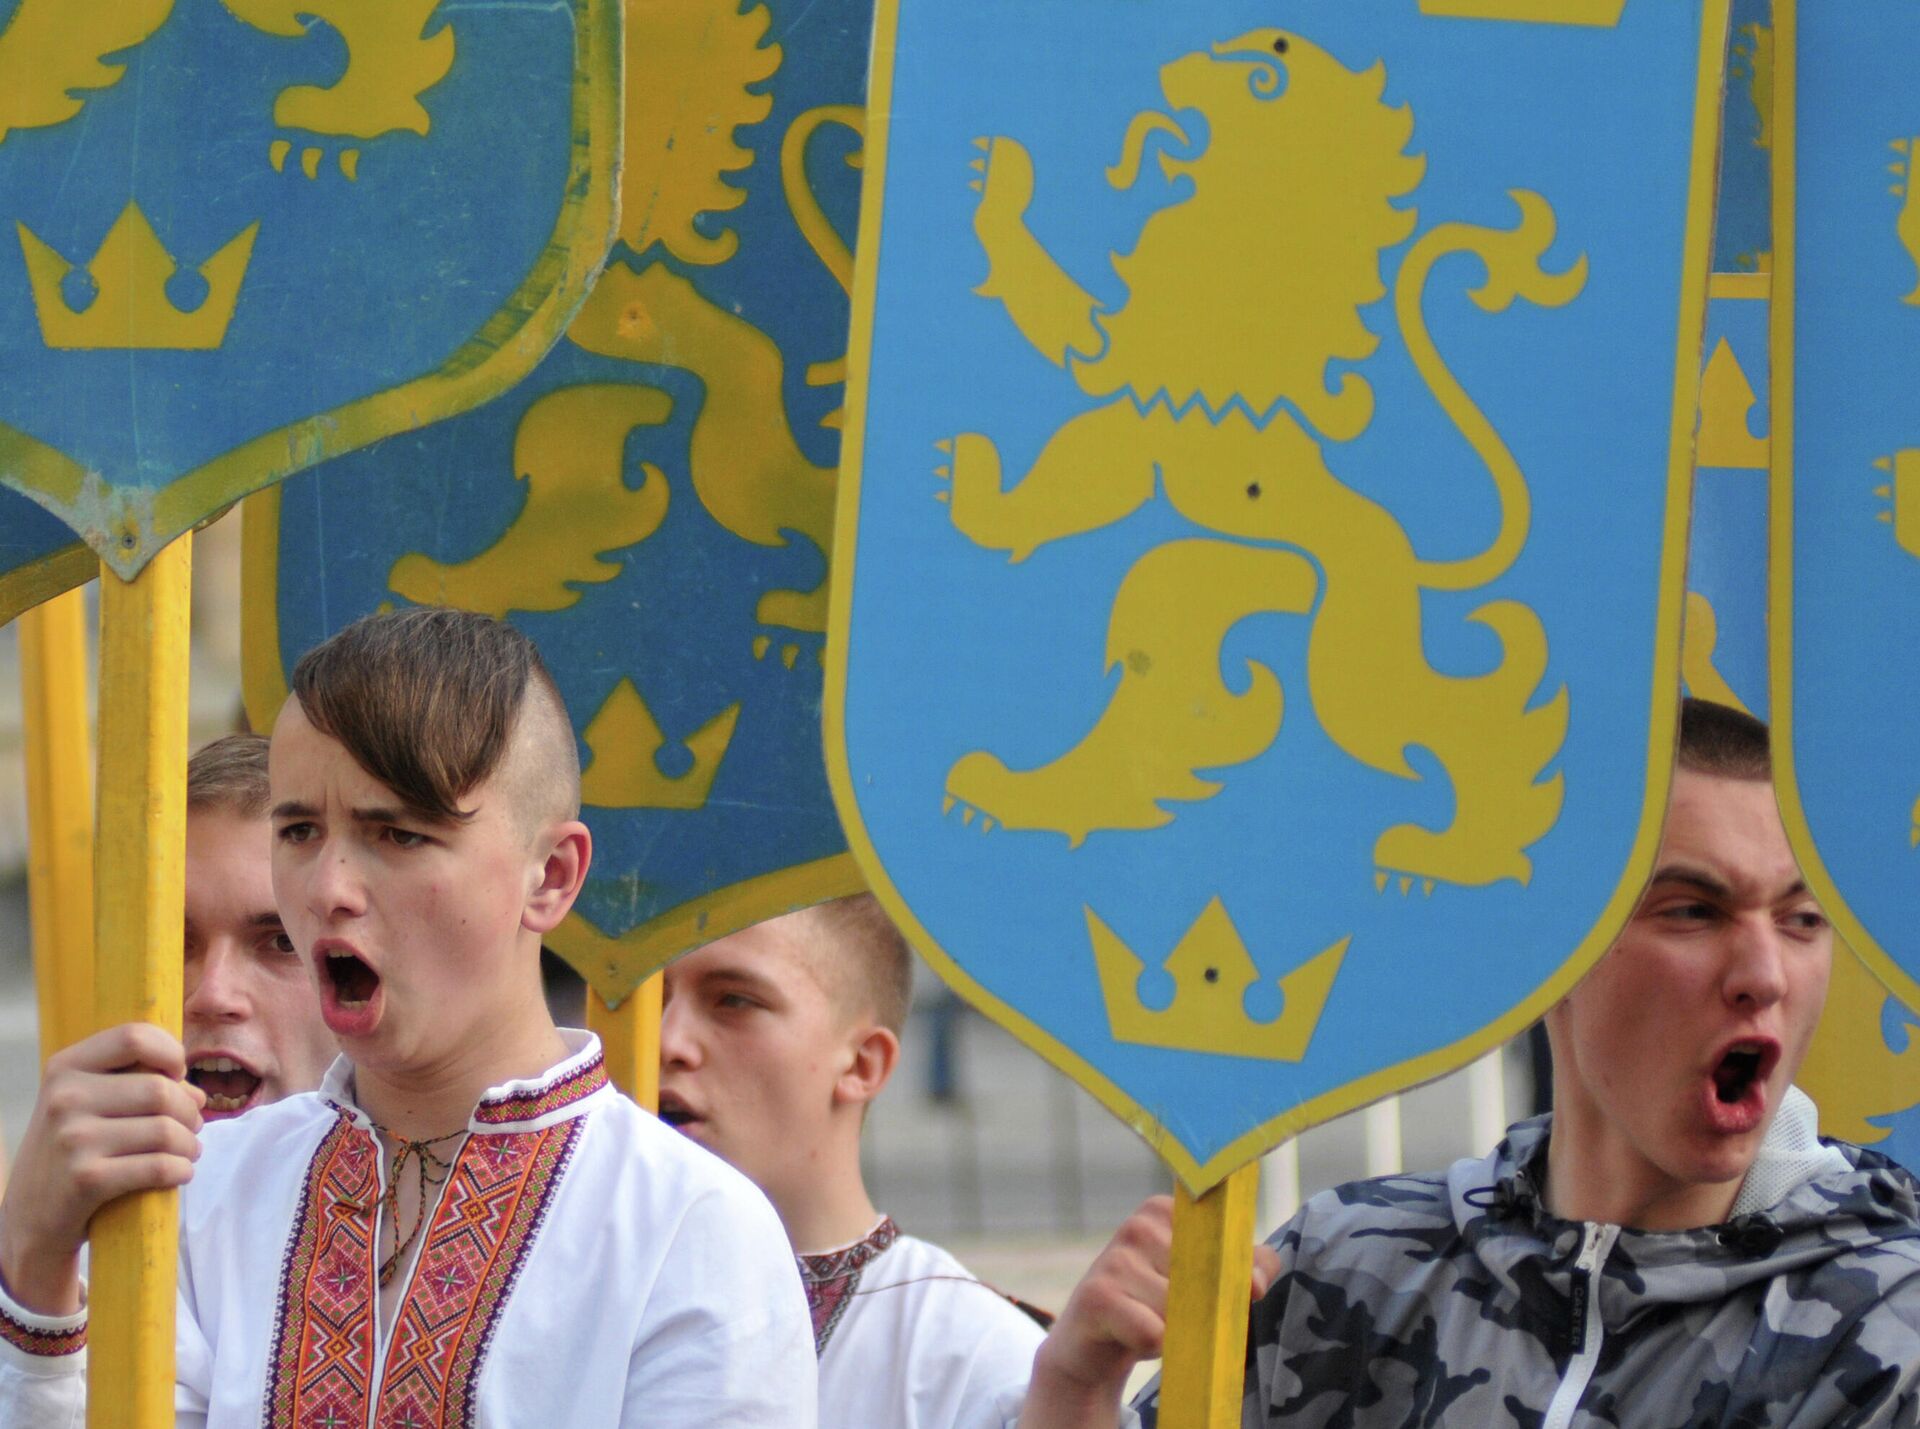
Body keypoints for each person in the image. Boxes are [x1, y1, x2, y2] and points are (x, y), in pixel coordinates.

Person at [0, 608, 814, 1425]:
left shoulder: (686, 1227)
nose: (328, 888)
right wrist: (34, 1260)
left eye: (397, 833)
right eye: (299, 830)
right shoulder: (205, 1189)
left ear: (551, 876)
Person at [1018, 699, 1920, 1427]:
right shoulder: (1346, 1270)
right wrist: (1073, 1392)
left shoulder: (1882, 1325)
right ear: (1553, 946)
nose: (1764, 975)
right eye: (1693, 911)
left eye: (1803, 920)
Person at [660, 893, 1046, 1427]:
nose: (667, 1041)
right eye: (650, 1002)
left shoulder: (977, 1366)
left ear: (863, 1063)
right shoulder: (568, 1287)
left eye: (734, 1000)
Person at [0, 733, 336, 1327]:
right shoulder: (64, 1242)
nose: (212, 994)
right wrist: (32, 1259)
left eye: (281, 942)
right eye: (170, 943)